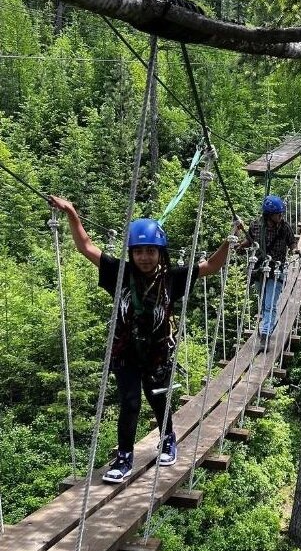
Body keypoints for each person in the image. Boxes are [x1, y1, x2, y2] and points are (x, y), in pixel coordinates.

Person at [50, 196, 240, 483]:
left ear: (160, 252)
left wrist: (230, 240)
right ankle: (124, 456)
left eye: (151, 251)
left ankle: (167, 439)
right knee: (129, 402)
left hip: (158, 354)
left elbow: (210, 266)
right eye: (139, 252)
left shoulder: (172, 278)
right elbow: (86, 247)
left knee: (157, 399)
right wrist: (72, 214)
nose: (145, 257)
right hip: (125, 352)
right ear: (131, 253)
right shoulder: (120, 272)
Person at [239, 195, 301, 352]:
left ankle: (265, 336)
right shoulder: (256, 226)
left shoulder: (285, 227)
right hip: (259, 270)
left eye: (281, 214)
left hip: (277, 270)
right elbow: (251, 241)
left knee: (270, 304)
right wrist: (239, 246)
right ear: (269, 215)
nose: (281, 217)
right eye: (278, 214)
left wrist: (295, 250)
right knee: (263, 302)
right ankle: (266, 326)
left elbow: (292, 242)